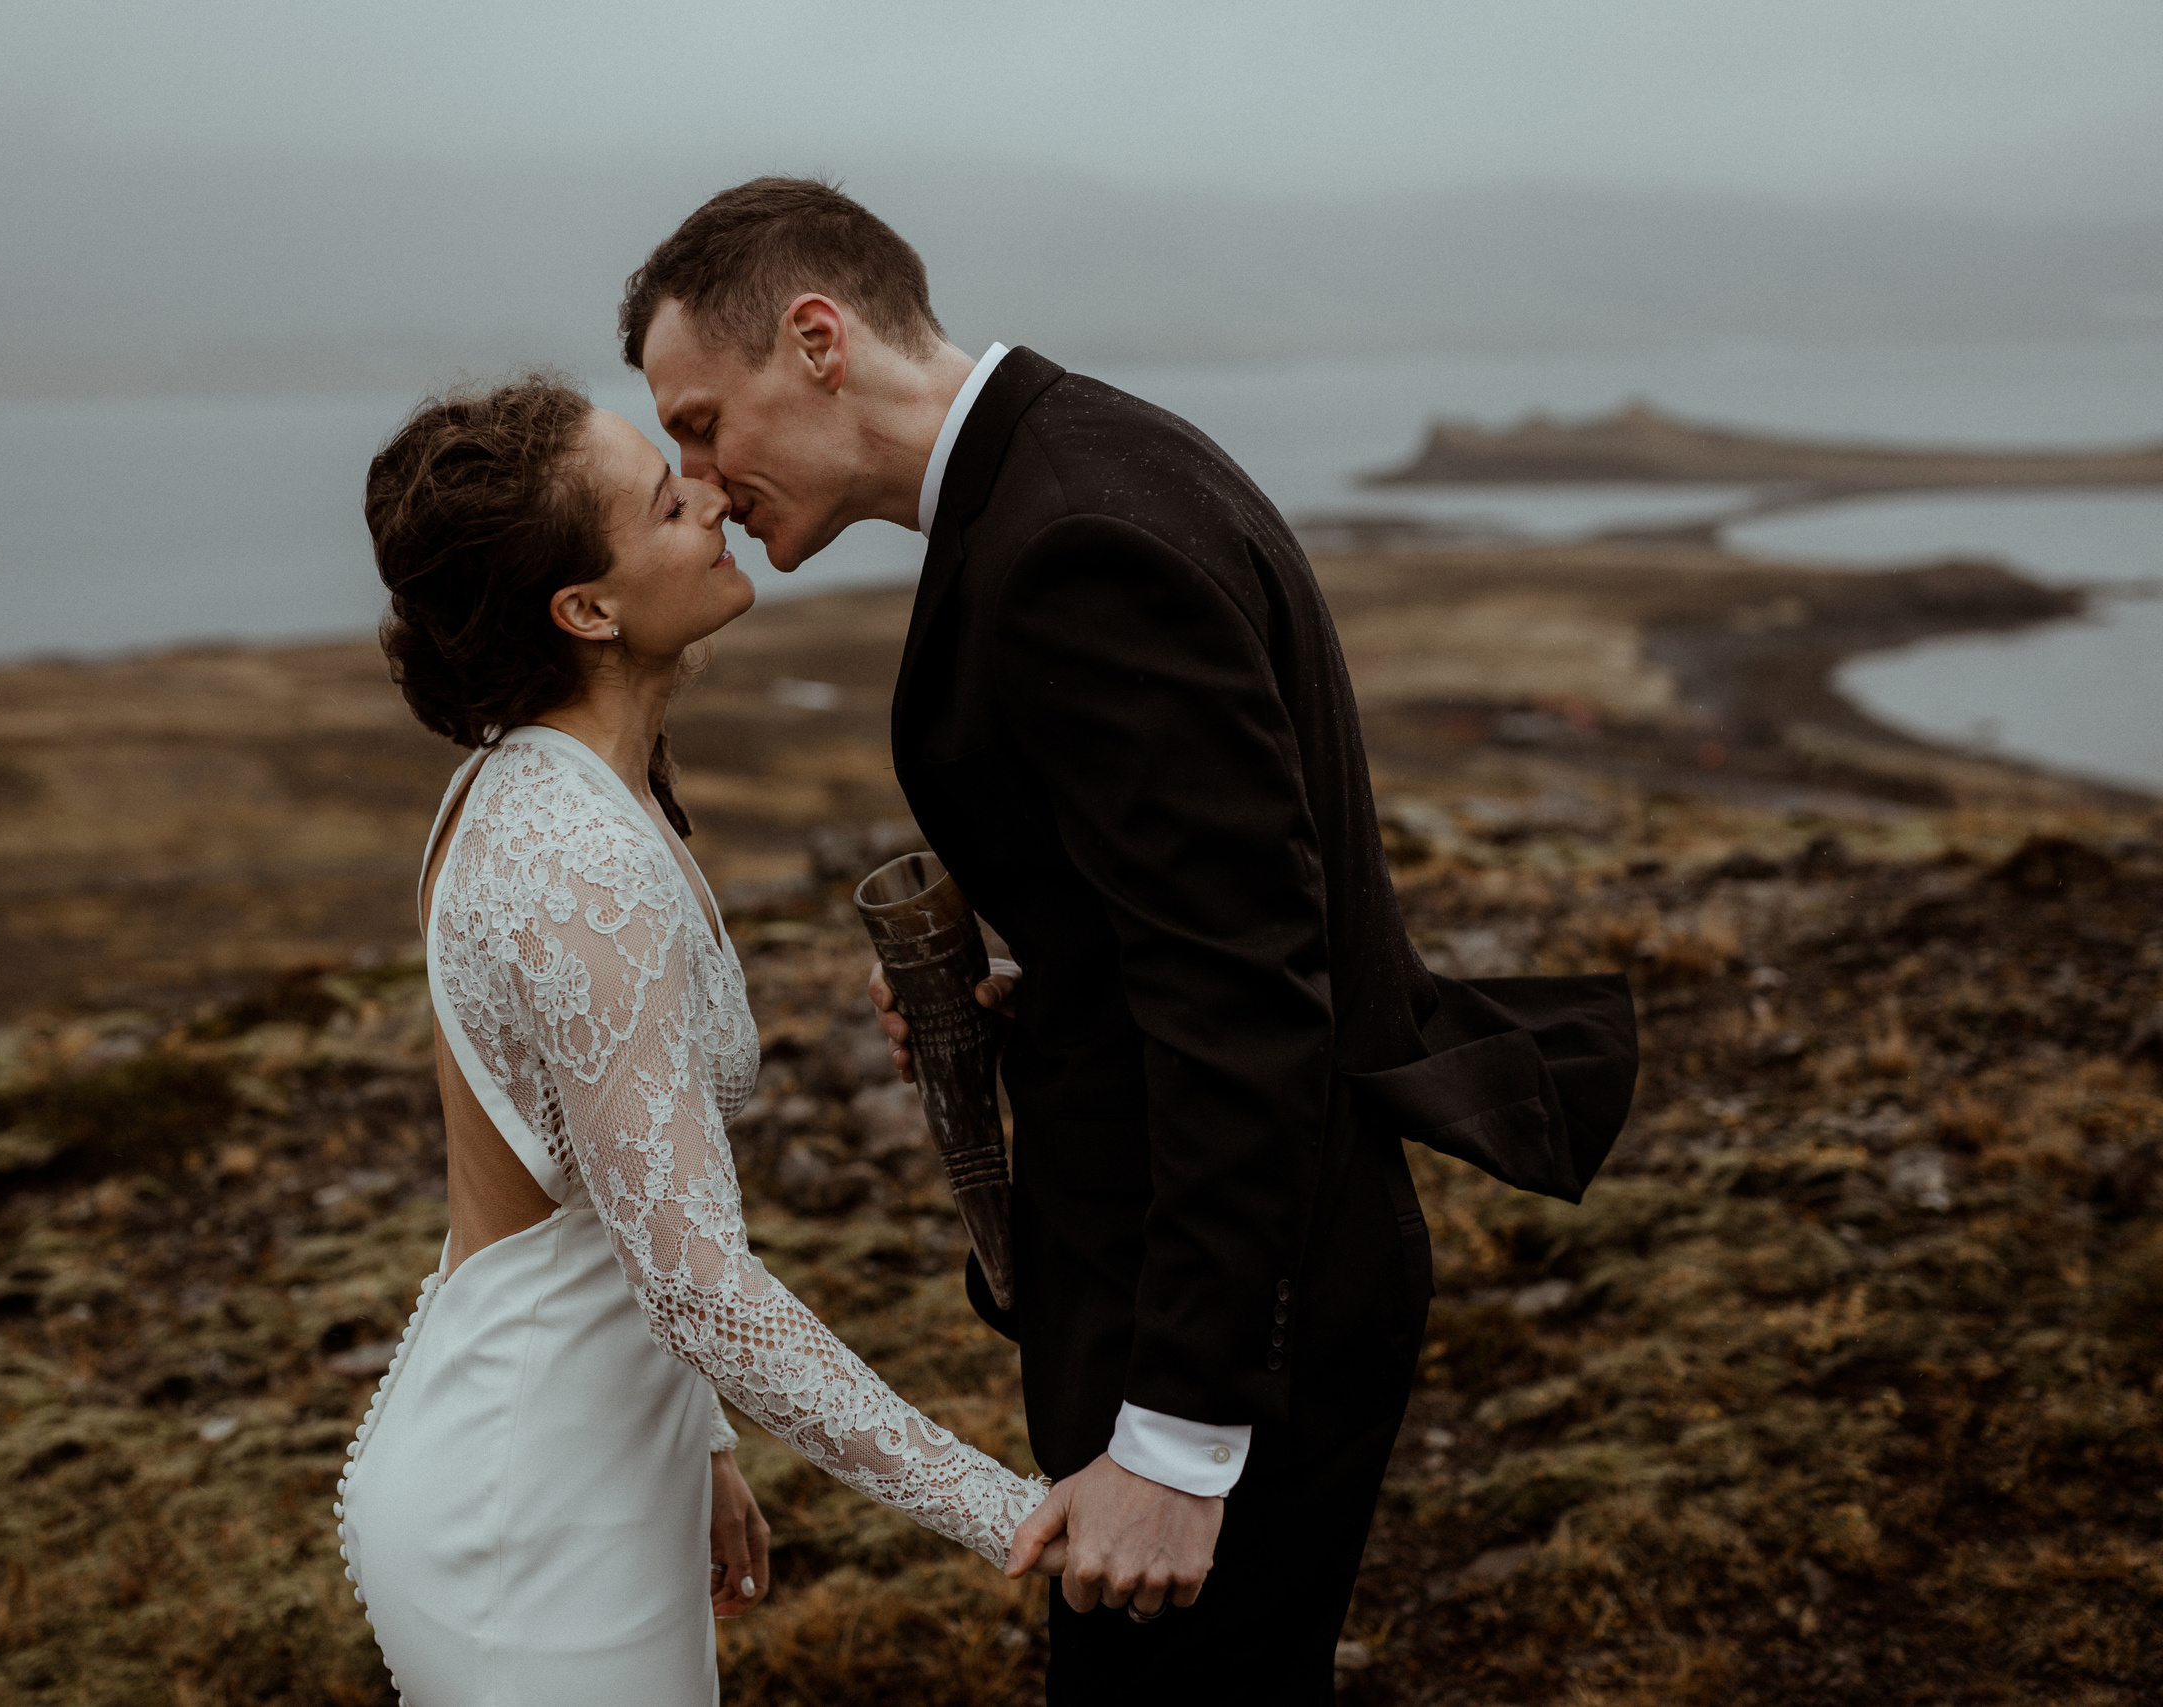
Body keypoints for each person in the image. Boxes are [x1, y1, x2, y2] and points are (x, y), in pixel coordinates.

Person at [618, 178, 1636, 1704]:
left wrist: (1180, 1438)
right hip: (1210, 1279)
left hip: (1231, 1331)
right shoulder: (1080, 458)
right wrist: (1045, 993)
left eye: (703, 423)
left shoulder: (1073, 546)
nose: (699, 481)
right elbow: (1197, 922)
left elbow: (1246, 996)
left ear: (819, 341)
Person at [332, 375, 1061, 1707]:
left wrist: (699, 1446)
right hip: (531, 1517)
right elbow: (695, 1287)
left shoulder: (549, 786)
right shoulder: (574, 860)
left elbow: (603, 1197)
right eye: (670, 504)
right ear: (587, 611)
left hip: (592, 1463)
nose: (714, 496)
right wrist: (1007, 1510)